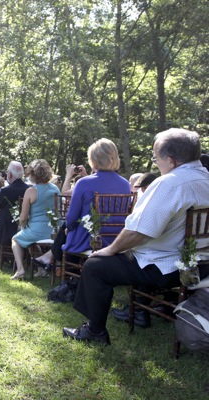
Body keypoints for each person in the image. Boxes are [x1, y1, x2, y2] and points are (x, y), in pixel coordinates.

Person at [62, 128, 209, 345]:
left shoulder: (170, 183)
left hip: (166, 268)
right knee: (130, 255)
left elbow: (138, 231)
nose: (156, 164)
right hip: (202, 265)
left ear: (171, 160)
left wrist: (110, 250)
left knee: (95, 266)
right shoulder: (205, 178)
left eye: (156, 159)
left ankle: (95, 331)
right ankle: (142, 311)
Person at [32, 139, 131, 272]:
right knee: (69, 230)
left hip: (90, 238)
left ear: (93, 159)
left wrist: (68, 227)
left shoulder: (84, 183)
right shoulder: (125, 184)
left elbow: (71, 218)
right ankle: (54, 262)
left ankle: (65, 273)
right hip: (117, 238)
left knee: (67, 229)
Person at [11, 159, 61, 280]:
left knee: (16, 239)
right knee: (29, 240)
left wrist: (23, 227)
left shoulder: (31, 191)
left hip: (37, 230)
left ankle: (20, 270)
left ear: (33, 174)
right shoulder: (55, 189)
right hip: (56, 231)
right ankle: (41, 270)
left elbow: (23, 217)